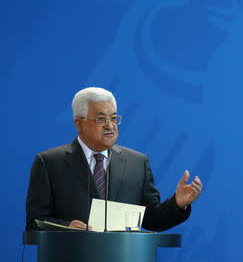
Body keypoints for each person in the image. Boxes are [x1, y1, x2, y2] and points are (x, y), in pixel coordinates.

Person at [26, 87, 202, 231]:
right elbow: (35, 223)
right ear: (79, 124)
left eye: (114, 118)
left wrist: (178, 204)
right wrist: (66, 228)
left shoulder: (137, 163)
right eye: (101, 119)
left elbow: (152, 219)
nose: (110, 126)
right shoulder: (49, 163)